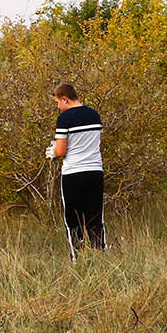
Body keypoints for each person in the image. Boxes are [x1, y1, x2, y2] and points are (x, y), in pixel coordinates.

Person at [47, 83, 106, 257]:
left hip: (73, 173)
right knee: (95, 218)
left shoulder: (64, 119)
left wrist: (52, 152)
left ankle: (77, 258)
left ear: (65, 99)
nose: (58, 106)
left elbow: (61, 150)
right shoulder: (94, 115)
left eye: (58, 102)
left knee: (73, 220)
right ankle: (100, 255)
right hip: (95, 171)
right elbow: (99, 144)